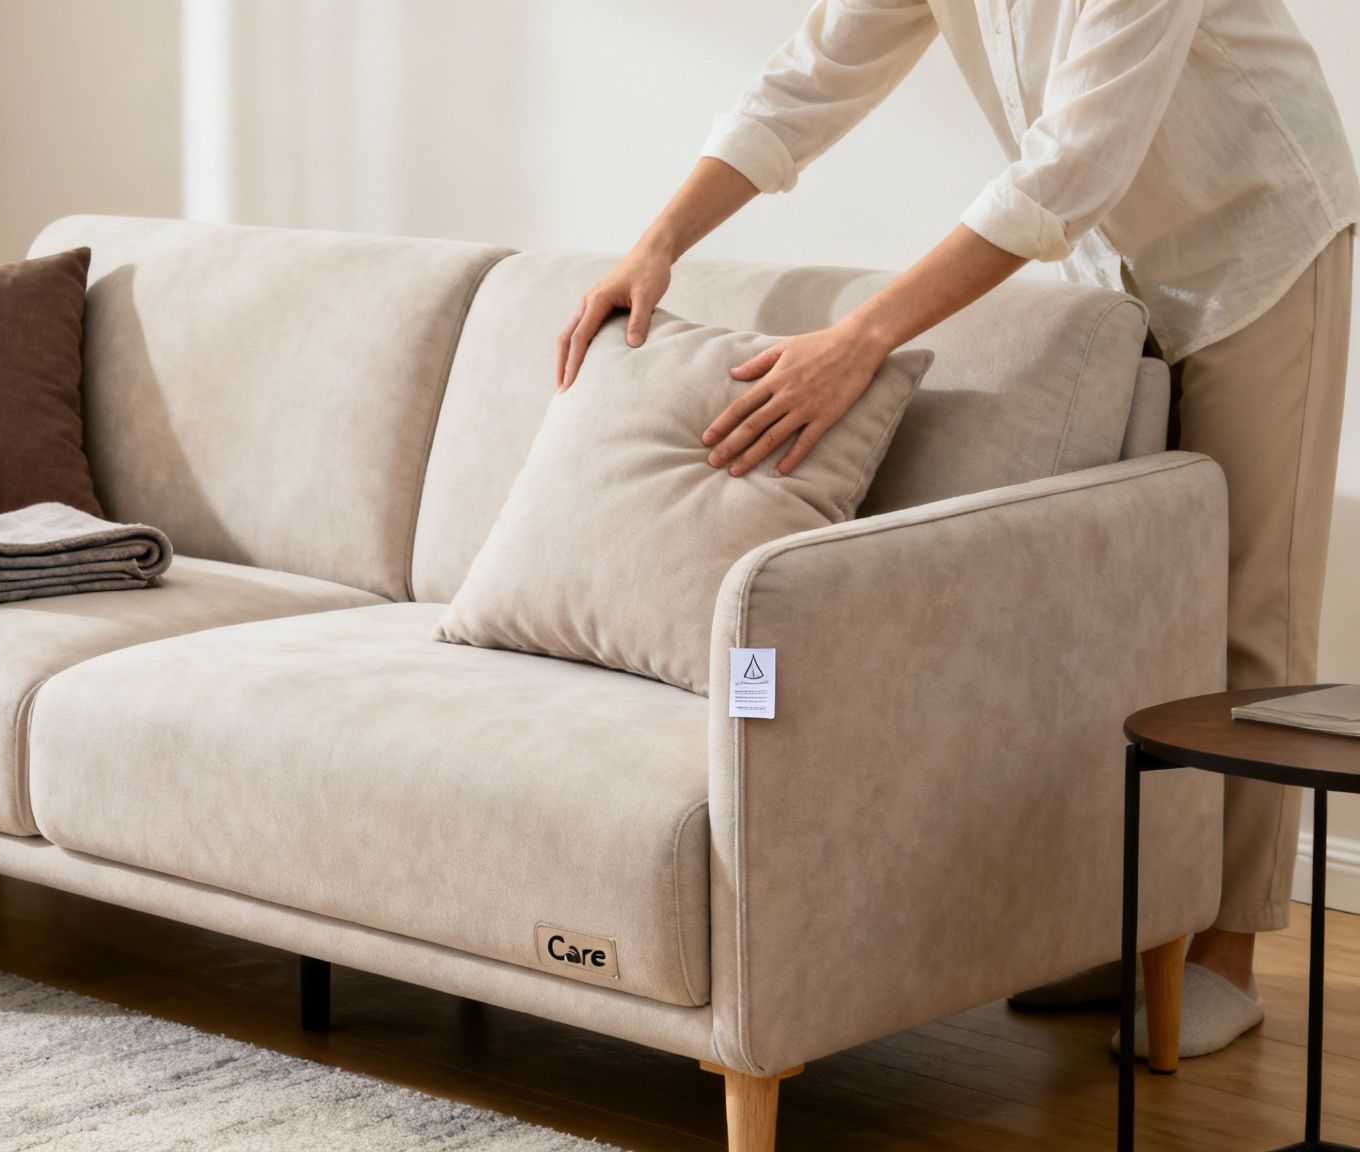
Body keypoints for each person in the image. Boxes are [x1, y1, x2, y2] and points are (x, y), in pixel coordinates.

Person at [561, 0, 1357, 1059]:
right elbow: (808, 78)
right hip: (1119, 258)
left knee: (1244, 608)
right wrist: (654, 241)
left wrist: (856, 340)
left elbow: (1066, 167)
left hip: (1258, 243)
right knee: (1114, 599)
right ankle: (1128, 923)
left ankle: (1221, 950)